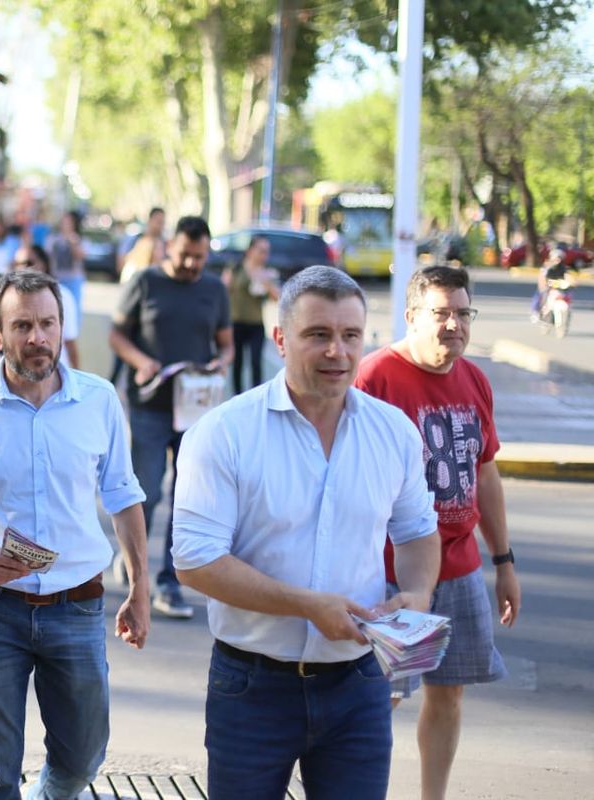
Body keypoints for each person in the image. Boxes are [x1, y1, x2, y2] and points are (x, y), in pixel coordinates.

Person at [171, 266, 441, 800]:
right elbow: (195, 560)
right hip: (252, 687)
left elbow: (416, 534)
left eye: (350, 336)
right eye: (318, 335)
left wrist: (416, 597)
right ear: (280, 340)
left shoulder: (394, 433)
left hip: (359, 684)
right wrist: (306, 605)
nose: (337, 352)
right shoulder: (223, 433)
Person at [0, 270, 151, 800]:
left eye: (47, 323)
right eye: (22, 325)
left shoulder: (98, 398)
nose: (37, 337)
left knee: (82, 759)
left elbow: (123, 495)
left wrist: (140, 589)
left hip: (77, 605)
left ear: (62, 328)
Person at [355, 266, 521, 800]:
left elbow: (486, 473)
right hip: (392, 574)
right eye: (441, 312)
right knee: (382, 698)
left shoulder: (474, 379)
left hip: (461, 567)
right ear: (411, 317)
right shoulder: (374, 379)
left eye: (462, 313)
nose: (454, 324)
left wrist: (504, 562)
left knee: (448, 696)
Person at [109, 215, 233, 619]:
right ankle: (133, 562)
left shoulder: (215, 289)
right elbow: (117, 335)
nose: (190, 264)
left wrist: (220, 364)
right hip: (148, 404)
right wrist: (141, 361)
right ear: (169, 247)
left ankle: (167, 582)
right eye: (183, 255)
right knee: (145, 493)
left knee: (187, 497)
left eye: (198, 257)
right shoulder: (145, 282)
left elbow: (226, 344)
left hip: (194, 410)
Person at [221, 235, 280, 394]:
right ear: (250, 250)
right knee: (238, 363)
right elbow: (222, 292)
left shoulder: (267, 273)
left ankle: (257, 397)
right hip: (236, 322)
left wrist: (266, 283)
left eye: (266, 252)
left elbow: (278, 298)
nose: (264, 255)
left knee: (255, 362)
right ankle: (237, 397)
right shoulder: (236, 268)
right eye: (261, 251)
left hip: (256, 324)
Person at [11, 243, 81, 369]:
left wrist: (77, 380)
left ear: (44, 264)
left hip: (55, 372)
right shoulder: (9, 299)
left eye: (28, 263)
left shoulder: (62, 296)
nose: (21, 269)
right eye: (16, 264)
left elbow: (70, 343)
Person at [46, 210, 86, 326]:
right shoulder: (53, 238)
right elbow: (47, 257)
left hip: (73, 280)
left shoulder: (78, 239)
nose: (65, 224)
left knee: (73, 310)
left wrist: (73, 242)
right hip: (56, 278)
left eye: (69, 221)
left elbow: (81, 256)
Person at [118, 206, 166, 285]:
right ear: (150, 220)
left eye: (162, 222)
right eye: (158, 222)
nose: (160, 226)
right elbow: (121, 259)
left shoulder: (164, 243)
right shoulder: (136, 239)